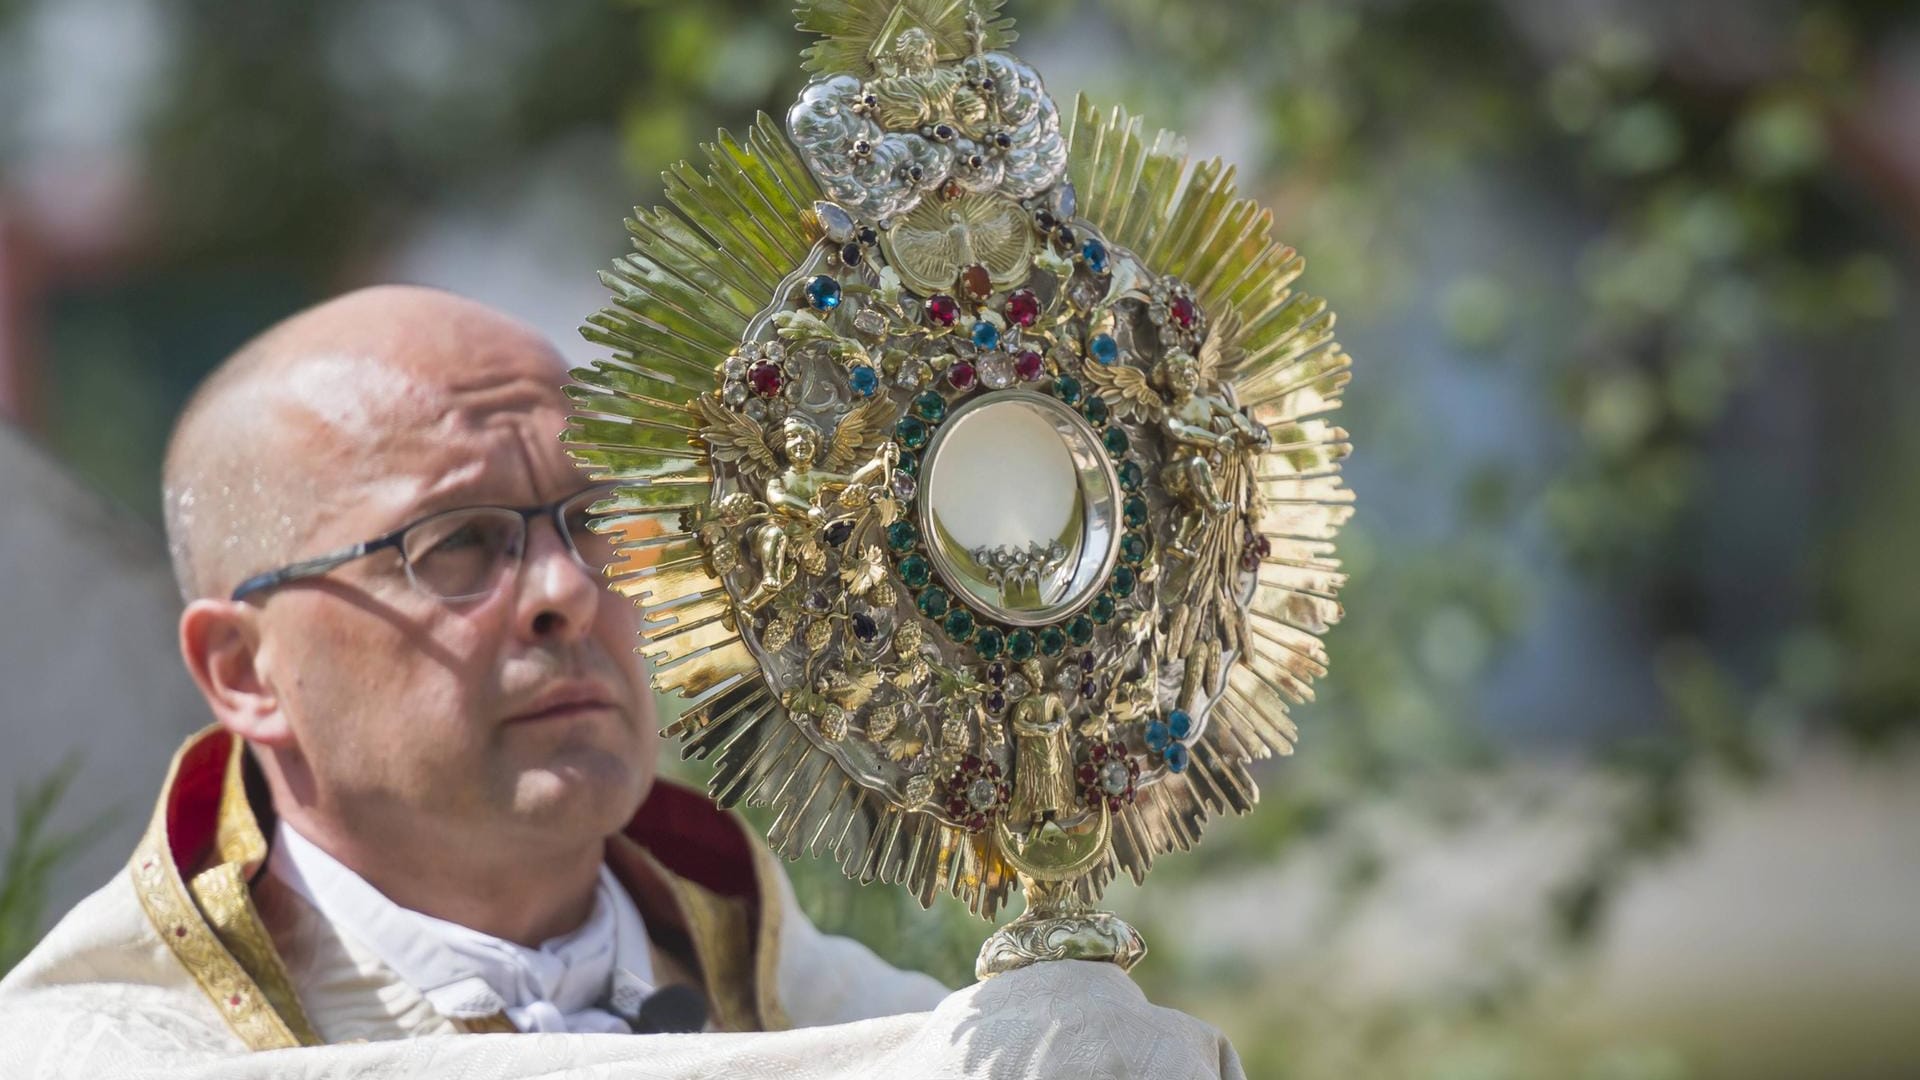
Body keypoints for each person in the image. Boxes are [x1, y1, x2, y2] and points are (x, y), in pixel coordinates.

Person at [0, 286, 1243, 1078]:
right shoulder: (92, 1049)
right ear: (243, 670)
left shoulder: (838, 1008)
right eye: (460, 544)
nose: (565, 590)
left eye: (594, 523)